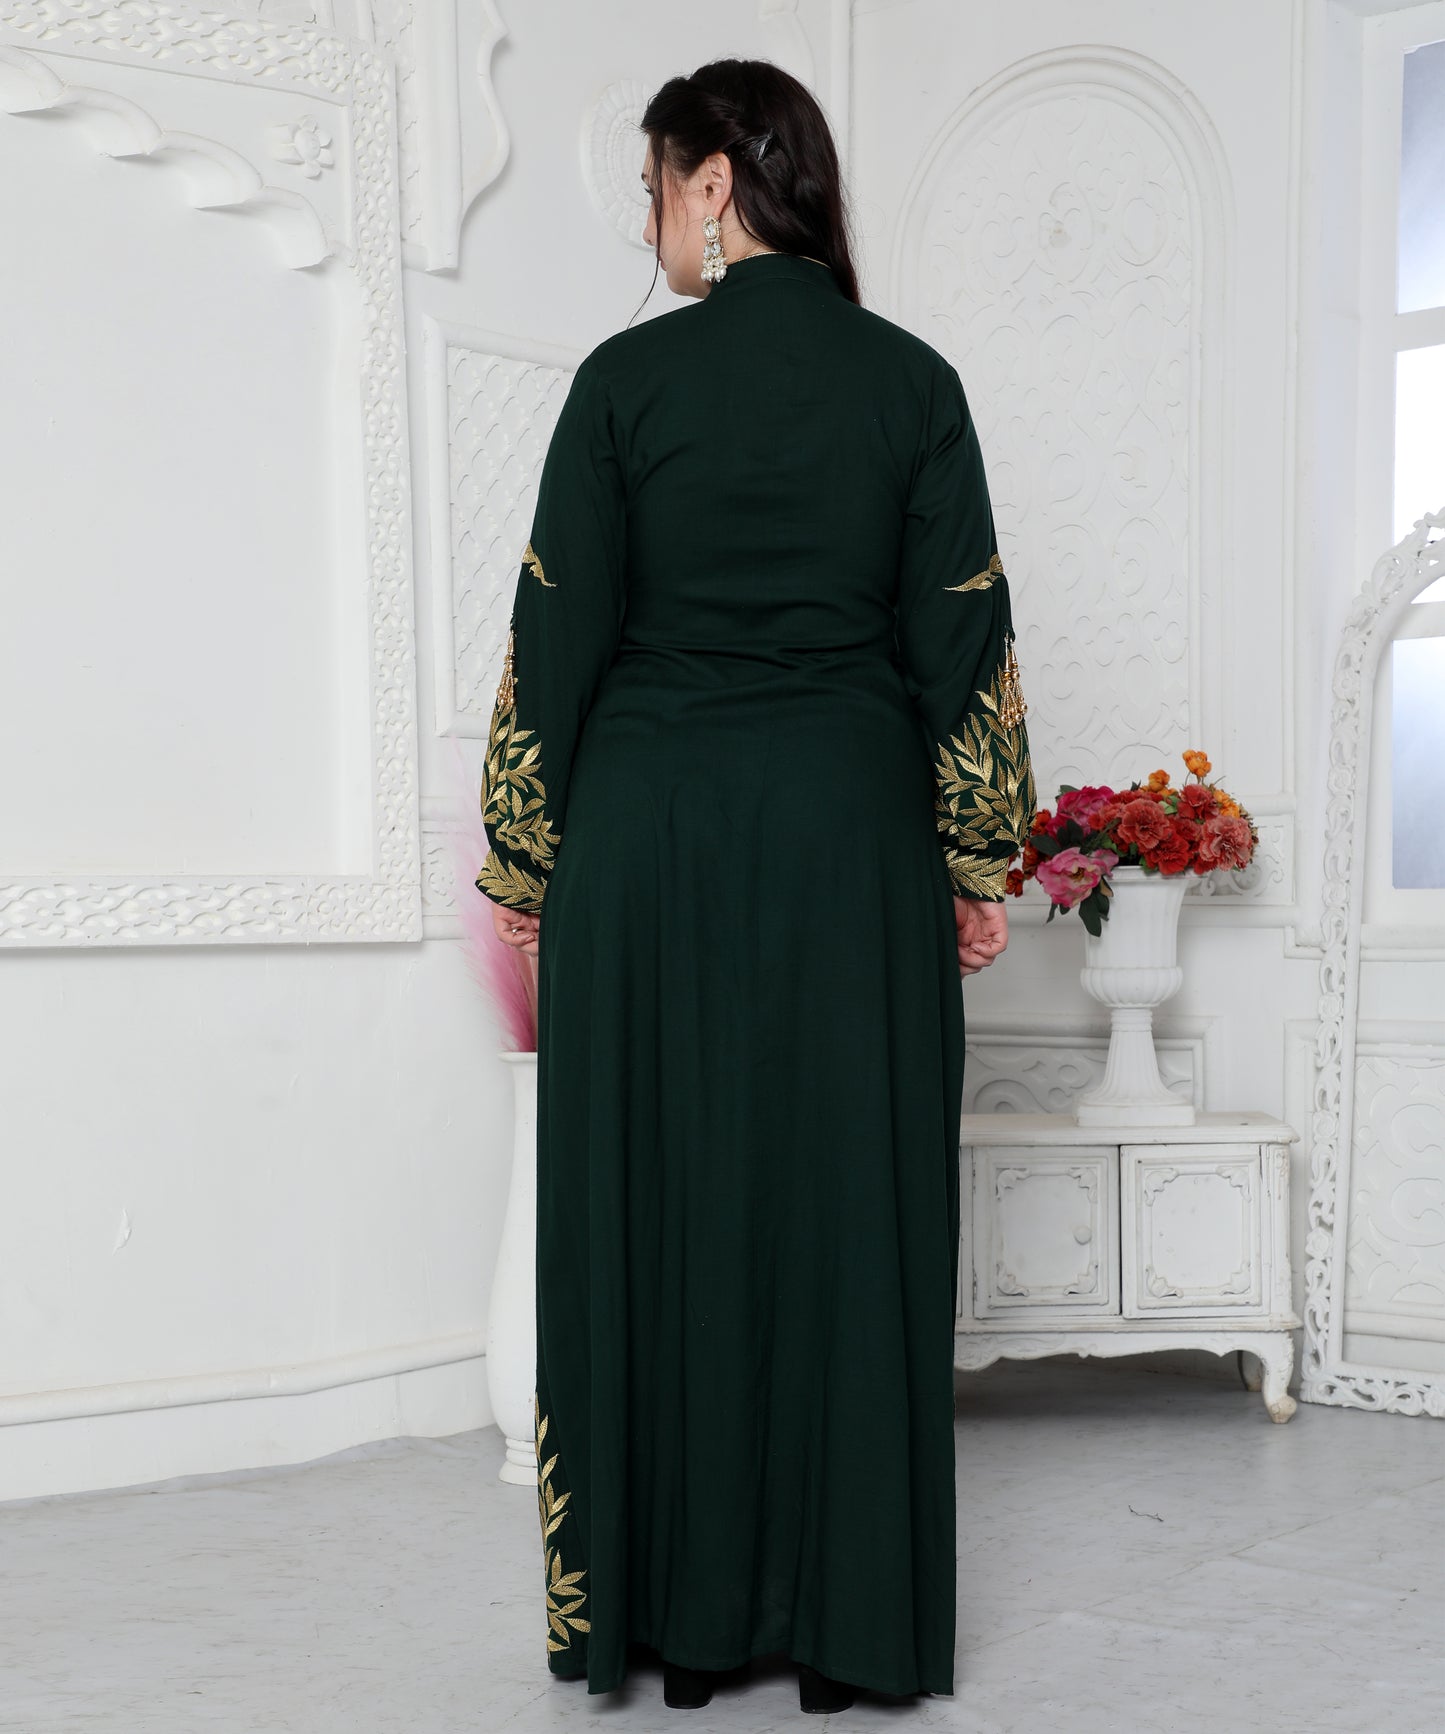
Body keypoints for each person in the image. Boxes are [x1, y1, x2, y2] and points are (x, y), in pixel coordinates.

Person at [475, 55, 1035, 1717]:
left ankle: (660, 1613)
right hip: (849, 848)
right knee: (844, 1212)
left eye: (656, 187)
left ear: (714, 182)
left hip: (647, 847)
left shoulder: (623, 384)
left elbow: (555, 632)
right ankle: (847, 1618)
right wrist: (973, 858)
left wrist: (524, 859)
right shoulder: (912, 383)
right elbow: (963, 639)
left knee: (653, 1208)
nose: (649, 222)